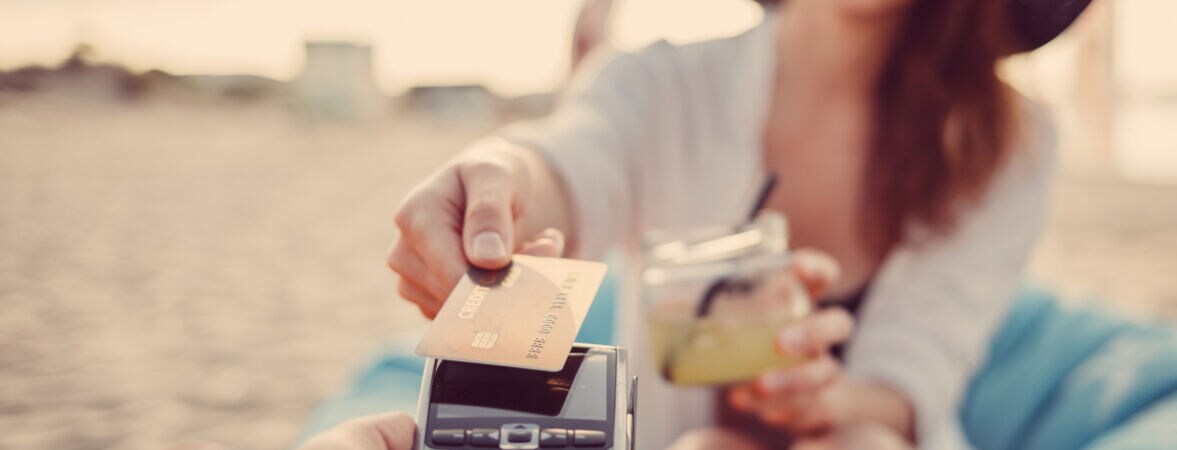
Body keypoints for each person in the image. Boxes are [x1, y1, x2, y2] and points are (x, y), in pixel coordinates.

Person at [386, 0, 1057, 448]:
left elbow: (917, 373)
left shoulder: (1007, 142)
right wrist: (502, 177)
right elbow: (573, 168)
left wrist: (825, 398)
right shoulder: (660, 86)